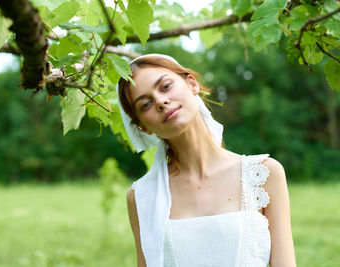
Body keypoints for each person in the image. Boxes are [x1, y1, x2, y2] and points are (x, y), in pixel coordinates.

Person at [117, 54, 296, 267]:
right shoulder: (142, 196)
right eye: (145, 104)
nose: (160, 101)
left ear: (192, 84)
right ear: (144, 128)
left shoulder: (264, 175)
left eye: (165, 86)